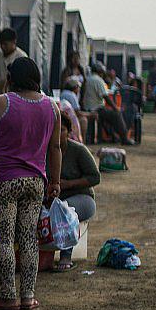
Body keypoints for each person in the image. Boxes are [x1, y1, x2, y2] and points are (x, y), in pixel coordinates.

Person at [0, 57, 61, 310]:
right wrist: (55, 181)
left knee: (4, 239)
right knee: (27, 238)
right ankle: (28, 296)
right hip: (36, 182)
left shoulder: (0, 103)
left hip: (4, 180)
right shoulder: (53, 107)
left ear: (11, 78)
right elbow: (55, 148)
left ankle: (8, 296)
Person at [49, 109, 99, 271]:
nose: (57, 134)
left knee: (65, 209)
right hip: (54, 199)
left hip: (82, 198)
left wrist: (68, 184)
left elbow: (94, 177)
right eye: (53, 130)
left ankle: (65, 256)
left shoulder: (78, 150)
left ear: (69, 132)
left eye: (61, 130)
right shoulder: (44, 152)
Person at [82, 63, 131, 145]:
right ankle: (124, 138)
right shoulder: (98, 80)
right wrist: (115, 108)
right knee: (116, 115)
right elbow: (105, 97)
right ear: (100, 71)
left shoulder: (87, 79)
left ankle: (113, 137)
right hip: (97, 109)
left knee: (108, 115)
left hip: (87, 108)